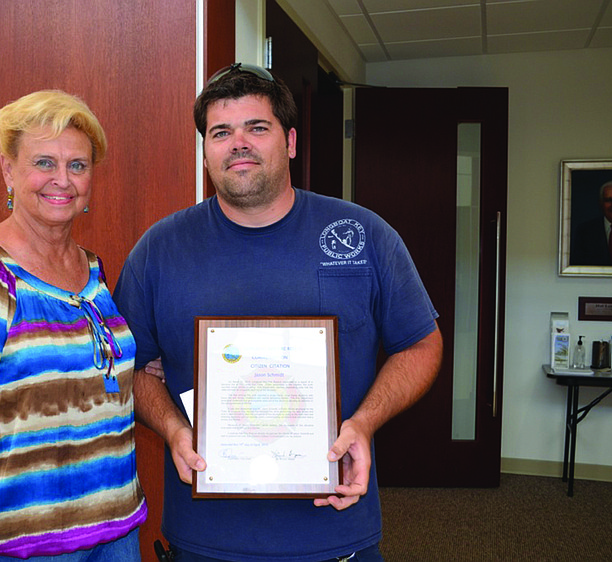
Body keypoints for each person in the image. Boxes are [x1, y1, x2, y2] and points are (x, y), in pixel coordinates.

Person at [113, 63, 443, 561]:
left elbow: (421, 344)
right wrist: (173, 428)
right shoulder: (159, 250)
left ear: (289, 142)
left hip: (335, 533)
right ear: (206, 152)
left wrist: (365, 423)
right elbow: (128, 368)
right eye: (221, 132)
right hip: (206, 539)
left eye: (257, 128)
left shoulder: (363, 235)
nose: (238, 143)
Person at [0, 90, 155, 561]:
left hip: (117, 535)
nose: (62, 180)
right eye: (44, 162)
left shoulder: (93, 272)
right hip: (24, 548)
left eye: (78, 165)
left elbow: (91, 375)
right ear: (8, 170)